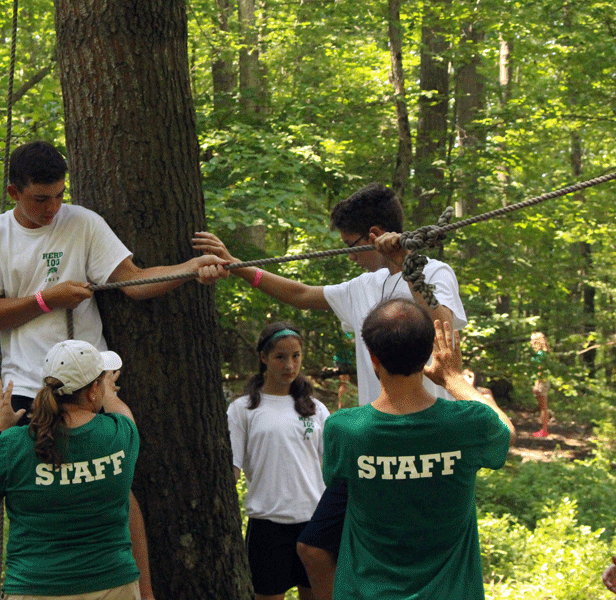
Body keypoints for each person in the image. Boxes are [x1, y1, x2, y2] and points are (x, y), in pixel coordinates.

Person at [0, 140, 221, 598]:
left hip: (88, 386)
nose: (52, 208)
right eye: (40, 198)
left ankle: (138, 589)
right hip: (29, 387)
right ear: (13, 192)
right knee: (38, 497)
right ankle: (40, 584)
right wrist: (48, 299)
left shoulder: (83, 223)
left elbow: (132, 282)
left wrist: (188, 267)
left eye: (59, 195)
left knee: (116, 491)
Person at [193, 182, 467, 599]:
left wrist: (405, 263)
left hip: (425, 433)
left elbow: (441, 325)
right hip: (371, 437)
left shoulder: (431, 271)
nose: (349, 255)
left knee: (402, 553)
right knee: (314, 547)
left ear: (376, 236)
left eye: (351, 245)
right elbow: (302, 295)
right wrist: (239, 266)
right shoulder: (365, 286)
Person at [323, 298, 514, 599]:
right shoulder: (466, 424)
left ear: (372, 356)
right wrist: (453, 378)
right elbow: (506, 430)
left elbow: (336, 481)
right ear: (428, 353)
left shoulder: (344, 429)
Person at [0, 340, 141, 600]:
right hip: (112, 586)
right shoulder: (118, 434)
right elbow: (122, 412)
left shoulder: (13, 443)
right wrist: (109, 394)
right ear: (94, 390)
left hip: (34, 588)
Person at [227, 323, 331, 600]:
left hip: (314, 523)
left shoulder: (316, 409)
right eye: (281, 357)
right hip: (268, 525)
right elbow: (232, 468)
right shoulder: (244, 409)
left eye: (296, 356)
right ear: (264, 358)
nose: (290, 364)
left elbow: (333, 465)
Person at [530, 331, 552, 438]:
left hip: (541, 381)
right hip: (543, 381)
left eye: (533, 340)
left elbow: (540, 370)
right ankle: (544, 429)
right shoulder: (544, 353)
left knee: (543, 407)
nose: (531, 342)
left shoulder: (540, 354)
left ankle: (544, 430)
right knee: (543, 407)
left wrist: (537, 384)